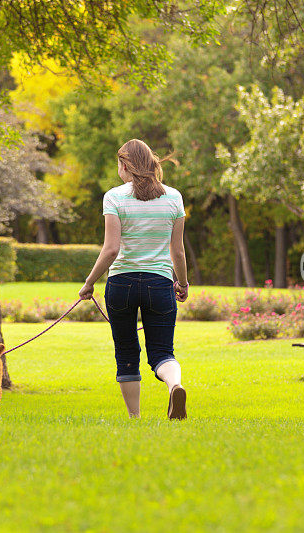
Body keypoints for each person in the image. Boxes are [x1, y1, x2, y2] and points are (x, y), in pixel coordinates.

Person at [79, 139, 190, 420]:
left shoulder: (114, 197)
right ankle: (174, 385)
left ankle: (135, 418)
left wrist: (90, 282)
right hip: (160, 284)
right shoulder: (173, 197)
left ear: (125, 165)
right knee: (163, 351)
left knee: (126, 350)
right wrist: (183, 283)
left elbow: (111, 249)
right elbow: (177, 250)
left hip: (121, 285)